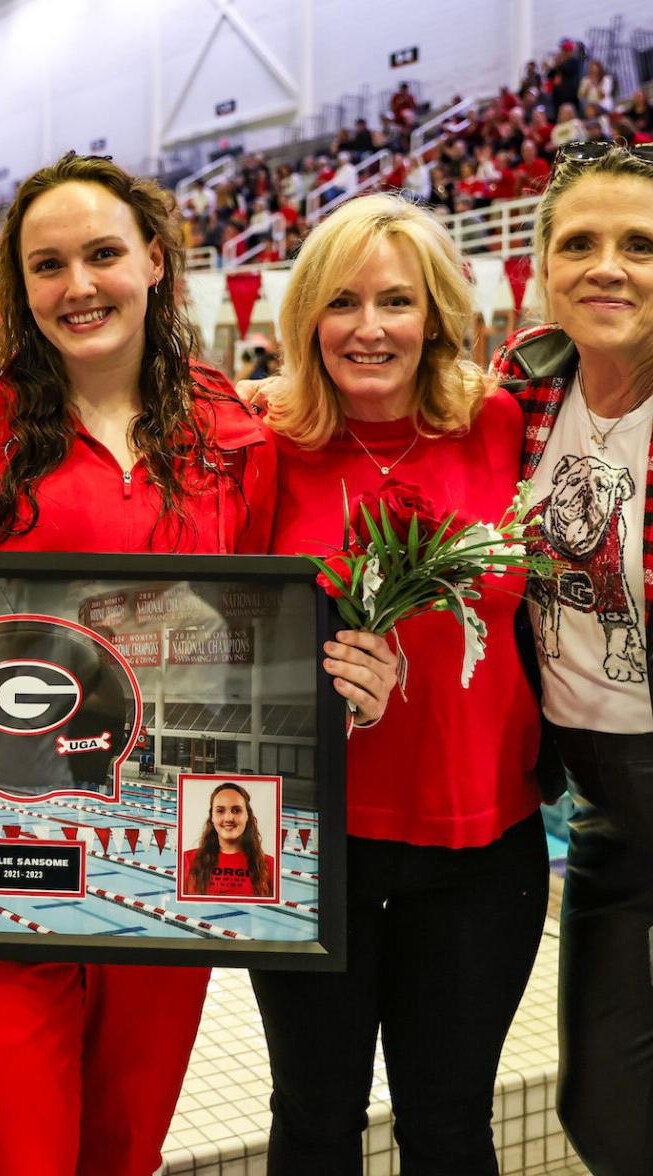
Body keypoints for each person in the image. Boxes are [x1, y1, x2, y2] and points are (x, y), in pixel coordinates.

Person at [0, 151, 396, 1176]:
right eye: (48, 266)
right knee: (13, 1153)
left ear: (155, 263)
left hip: (165, 863)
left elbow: (249, 649)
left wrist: (339, 690)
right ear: (18, 287)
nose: (78, 286)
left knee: (124, 1148)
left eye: (101, 255)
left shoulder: (233, 436)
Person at [246, 193, 549, 1174]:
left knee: (452, 1128)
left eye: (396, 301)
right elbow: (207, 625)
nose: (369, 328)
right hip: (307, 851)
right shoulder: (264, 441)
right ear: (306, 320)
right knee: (315, 1122)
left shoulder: (496, 421)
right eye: (341, 303)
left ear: (437, 314)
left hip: (480, 849)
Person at [490, 140, 653, 1176]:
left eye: (641, 244)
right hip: (604, 805)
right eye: (580, 242)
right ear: (544, 266)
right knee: (604, 1108)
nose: (609, 266)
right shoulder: (525, 388)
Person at [182, 782, 274, 899]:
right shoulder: (188, 860)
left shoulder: (268, 865)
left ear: (247, 816)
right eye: (220, 811)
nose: (229, 818)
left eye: (236, 810)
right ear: (212, 817)